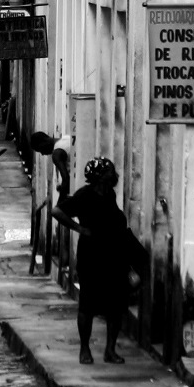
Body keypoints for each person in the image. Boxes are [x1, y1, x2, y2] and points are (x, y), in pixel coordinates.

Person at [59, 156, 137, 363]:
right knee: (87, 304)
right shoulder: (84, 196)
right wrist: (79, 228)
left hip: (114, 255)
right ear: (101, 176)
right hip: (92, 256)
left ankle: (110, 350)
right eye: (110, 171)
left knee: (116, 305)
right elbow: (57, 211)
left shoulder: (109, 194)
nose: (114, 175)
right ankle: (84, 348)